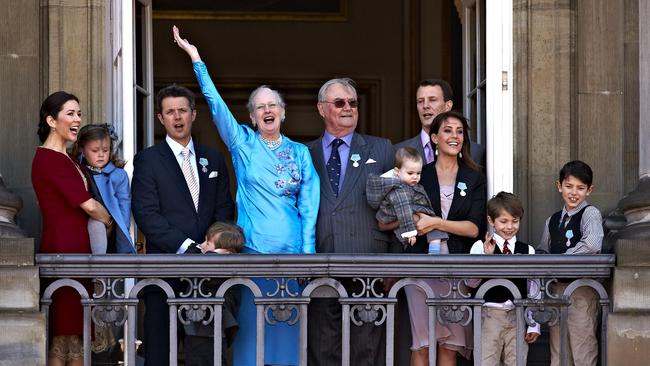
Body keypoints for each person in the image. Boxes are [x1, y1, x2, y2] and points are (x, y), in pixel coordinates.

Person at [172, 26, 320, 366]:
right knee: (253, 345)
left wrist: (307, 255)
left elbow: (309, 207)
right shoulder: (243, 144)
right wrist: (197, 60)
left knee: (288, 347)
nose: (267, 110)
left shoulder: (300, 153)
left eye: (273, 105)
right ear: (252, 117)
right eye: (259, 107)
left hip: (293, 259)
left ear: (282, 112)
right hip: (252, 256)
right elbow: (216, 106)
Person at [131, 83, 235, 366]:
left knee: (207, 355)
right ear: (160, 118)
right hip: (163, 272)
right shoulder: (148, 160)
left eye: (182, 111)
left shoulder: (212, 157)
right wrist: (189, 247)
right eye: (170, 112)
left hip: (208, 275)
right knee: (161, 354)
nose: (177, 117)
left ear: (193, 115)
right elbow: (146, 214)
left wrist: (213, 245)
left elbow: (225, 208)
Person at [306, 77, 395, 366]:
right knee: (323, 350)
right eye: (340, 102)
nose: (348, 108)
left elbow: (400, 204)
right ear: (321, 109)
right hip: (319, 265)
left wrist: (393, 265)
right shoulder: (304, 154)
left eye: (353, 103)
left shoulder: (381, 149)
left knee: (365, 353)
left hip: (369, 265)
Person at [32, 91, 113, 366]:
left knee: (76, 338)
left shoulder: (69, 159)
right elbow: (88, 206)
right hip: (64, 253)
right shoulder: (48, 159)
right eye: (70, 114)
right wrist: (109, 219)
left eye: (79, 114)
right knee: (63, 339)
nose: (77, 119)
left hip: (79, 253)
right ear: (52, 121)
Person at [406, 110, 487, 366]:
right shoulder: (420, 174)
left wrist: (436, 223)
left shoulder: (474, 177)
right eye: (448, 130)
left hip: (457, 267)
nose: (454, 136)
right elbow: (410, 218)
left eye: (460, 131)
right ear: (434, 138)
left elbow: (474, 228)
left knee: (449, 346)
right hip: (420, 266)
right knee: (422, 343)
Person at [537, 160, 603, 366]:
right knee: (559, 350)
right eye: (569, 186)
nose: (574, 193)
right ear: (559, 186)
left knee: (582, 348)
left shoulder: (590, 213)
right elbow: (542, 250)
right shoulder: (552, 220)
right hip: (556, 291)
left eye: (580, 188)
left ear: (589, 190)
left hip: (581, 291)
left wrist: (560, 260)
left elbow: (592, 245)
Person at [469, 192, 540, 366]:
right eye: (503, 221)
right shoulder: (479, 246)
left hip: (518, 316)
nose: (509, 227)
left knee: (517, 361)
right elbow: (470, 283)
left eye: (514, 221)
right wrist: (486, 259)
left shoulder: (527, 250)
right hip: (489, 316)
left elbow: (534, 290)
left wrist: (533, 324)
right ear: (491, 221)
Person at [183, 221, 244, 366]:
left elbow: (211, 276)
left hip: (212, 328)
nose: (202, 245)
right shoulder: (205, 257)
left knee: (212, 359)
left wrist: (213, 255)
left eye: (208, 243)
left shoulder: (227, 265)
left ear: (225, 252)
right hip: (196, 326)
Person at [366, 146, 448, 251]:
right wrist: (409, 232)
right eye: (410, 173)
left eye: (418, 173)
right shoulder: (399, 189)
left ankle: (435, 253)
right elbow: (403, 209)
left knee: (434, 225)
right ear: (397, 172)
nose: (415, 177)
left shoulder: (409, 184)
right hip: (396, 218)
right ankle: (434, 254)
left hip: (407, 215)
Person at [73, 123, 135, 254]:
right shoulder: (78, 172)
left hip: (110, 229)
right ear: (82, 150)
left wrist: (121, 231)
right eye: (95, 151)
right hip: (81, 228)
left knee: (96, 224)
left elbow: (124, 206)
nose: (101, 155)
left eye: (105, 150)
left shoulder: (118, 175)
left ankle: (100, 268)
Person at [396, 79, 485, 168]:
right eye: (420, 101)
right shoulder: (398, 151)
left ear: (448, 106)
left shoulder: (476, 152)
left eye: (432, 100)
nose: (425, 105)